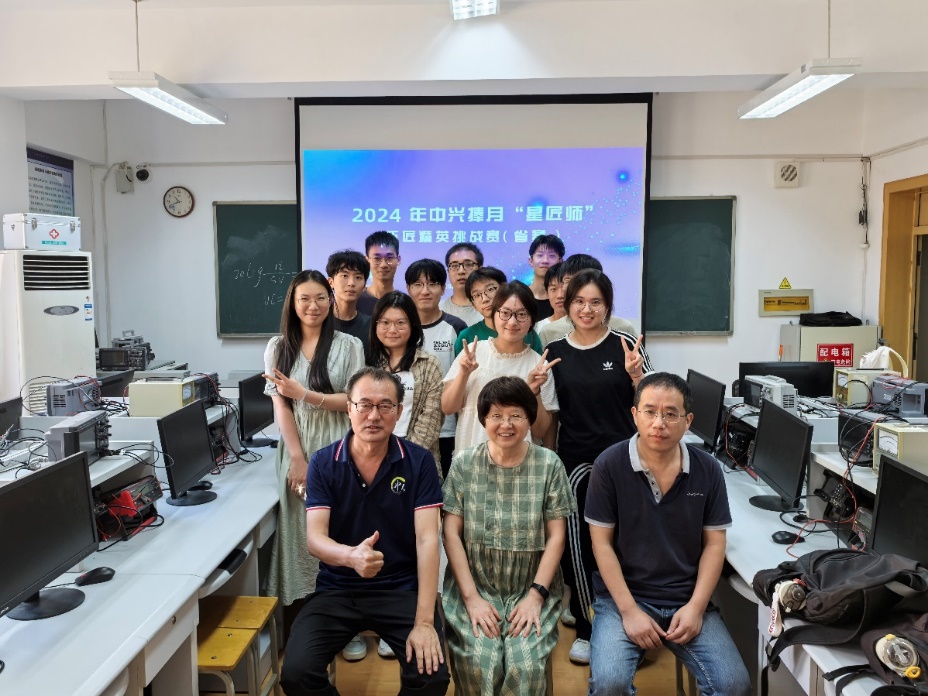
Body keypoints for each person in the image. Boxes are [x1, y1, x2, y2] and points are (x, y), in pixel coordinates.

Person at [279, 367, 450, 696]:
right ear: (349, 408)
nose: (374, 415)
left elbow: (428, 540)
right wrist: (350, 557)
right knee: (297, 673)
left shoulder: (418, 462)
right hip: (337, 589)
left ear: (398, 412)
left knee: (431, 677)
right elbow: (315, 539)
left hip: (402, 589)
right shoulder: (324, 462)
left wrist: (425, 622)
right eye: (364, 405)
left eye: (385, 406)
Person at [585, 372, 751, 696]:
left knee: (733, 685)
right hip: (623, 599)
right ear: (635, 415)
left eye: (670, 414)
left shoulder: (708, 469)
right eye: (650, 411)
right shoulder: (609, 465)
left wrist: (696, 607)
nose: (659, 423)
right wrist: (629, 611)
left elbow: (715, 545)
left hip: (685, 598)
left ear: (688, 421)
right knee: (609, 684)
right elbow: (601, 544)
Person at [545, 269, 653, 665]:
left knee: (629, 544)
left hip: (626, 460)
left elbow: (653, 402)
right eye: (579, 302)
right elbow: (550, 418)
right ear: (567, 305)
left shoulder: (625, 344)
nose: (587, 309)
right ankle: (586, 627)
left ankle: (633, 624)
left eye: (595, 302)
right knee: (580, 547)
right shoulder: (556, 351)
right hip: (576, 461)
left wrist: (637, 375)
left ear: (607, 305)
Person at [442, 377, 575, 695]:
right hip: (474, 586)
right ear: (483, 419)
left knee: (523, 665)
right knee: (480, 662)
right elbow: (450, 532)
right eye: (497, 415)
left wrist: (535, 596)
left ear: (529, 419)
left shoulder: (549, 464)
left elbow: (557, 537)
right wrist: (472, 599)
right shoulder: (463, 464)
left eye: (516, 415)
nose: (506, 424)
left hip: (531, 586)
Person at [262, 270, 365, 611]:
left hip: (338, 445)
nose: (313, 305)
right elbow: (281, 405)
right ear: (292, 304)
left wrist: (304, 394)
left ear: (330, 300)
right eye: (304, 299)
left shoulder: (349, 345)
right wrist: (296, 458)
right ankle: (306, 610)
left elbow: (354, 401)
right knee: (299, 529)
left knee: (341, 526)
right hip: (298, 447)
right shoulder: (278, 348)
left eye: (321, 298)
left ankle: (347, 616)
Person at [442, 281, 558, 453]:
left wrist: (535, 392)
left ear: (532, 320)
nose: (512, 322)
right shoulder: (474, 353)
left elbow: (539, 432)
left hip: (520, 463)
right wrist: (463, 374)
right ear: (494, 314)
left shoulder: (539, 367)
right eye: (505, 313)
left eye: (521, 314)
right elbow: (447, 408)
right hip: (472, 458)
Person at [367, 291, 444, 468]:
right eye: (385, 322)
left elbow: (431, 422)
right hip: (374, 460)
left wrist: (402, 459)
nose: (392, 330)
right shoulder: (368, 365)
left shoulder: (429, 365)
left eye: (400, 323)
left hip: (418, 461)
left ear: (412, 325)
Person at [405, 259, 467, 478]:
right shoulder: (399, 327)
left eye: (432, 284)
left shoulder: (456, 327)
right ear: (408, 289)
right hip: (405, 427)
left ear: (443, 288)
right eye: (418, 284)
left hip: (447, 429)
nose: (425, 291)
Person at [539, 254, 638, 347]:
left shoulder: (623, 328)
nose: (574, 287)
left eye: (581, 281)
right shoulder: (549, 332)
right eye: (568, 281)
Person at [452, 268, 543, 356]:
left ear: (505, 290)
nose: (485, 299)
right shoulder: (466, 337)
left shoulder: (526, 333)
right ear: (473, 305)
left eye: (490, 289)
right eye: (477, 295)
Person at [326, 250, 372, 352]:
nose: (351, 283)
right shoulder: (320, 321)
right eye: (345, 276)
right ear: (331, 282)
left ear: (364, 285)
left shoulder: (371, 326)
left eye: (358, 277)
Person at [440, 242, 484, 326]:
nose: (461, 271)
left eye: (468, 265)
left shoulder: (492, 310)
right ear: (448, 271)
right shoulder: (437, 310)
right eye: (454, 265)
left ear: (480, 270)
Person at [358, 231, 401, 315]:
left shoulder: (404, 302)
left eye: (389, 258)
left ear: (398, 260)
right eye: (377, 258)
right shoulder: (355, 301)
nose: (383, 265)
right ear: (367, 260)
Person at [528, 234, 565, 321]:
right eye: (540, 255)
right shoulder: (521, 296)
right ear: (531, 261)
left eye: (551, 256)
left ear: (560, 261)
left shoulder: (564, 299)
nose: (545, 261)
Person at [534, 263, 565, 334]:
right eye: (553, 289)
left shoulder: (583, 325)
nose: (560, 295)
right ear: (547, 293)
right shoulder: (538, 329)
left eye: (564, 289)